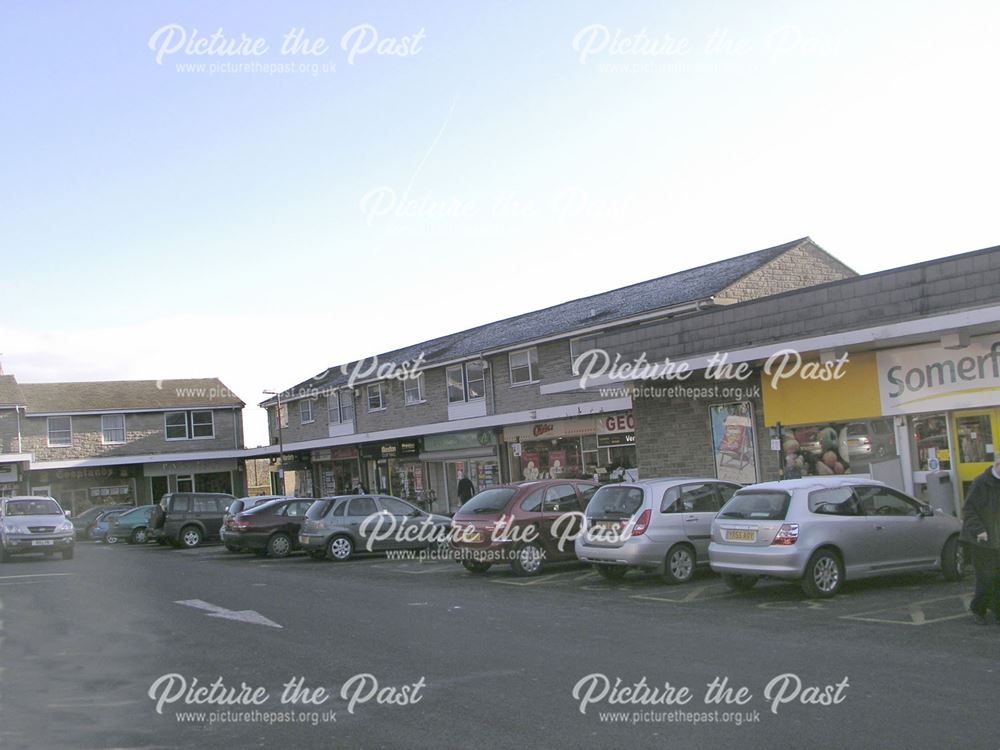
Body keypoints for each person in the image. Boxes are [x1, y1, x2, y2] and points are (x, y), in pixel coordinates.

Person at [961, 455, 1000, 625]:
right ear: (997, 465)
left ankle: (997, 610)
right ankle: (978, 609)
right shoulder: (981, 483)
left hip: (997, 538)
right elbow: (968, 509)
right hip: (981, 540)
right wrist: (980, 530)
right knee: (986, 578)